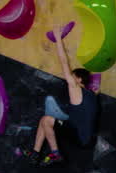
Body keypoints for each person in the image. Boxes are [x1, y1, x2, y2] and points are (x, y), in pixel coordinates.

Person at [24, 23, 99, 165]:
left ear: (78, 79)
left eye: (73, 76)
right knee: (44, 120)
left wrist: (58, 38)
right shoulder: (92, 95)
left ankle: (55, 153)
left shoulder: (76, 88)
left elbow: (64, 62)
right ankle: (35, 153)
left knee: (47, 120)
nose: (70, 77)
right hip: (82, 136)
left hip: (79, 137)